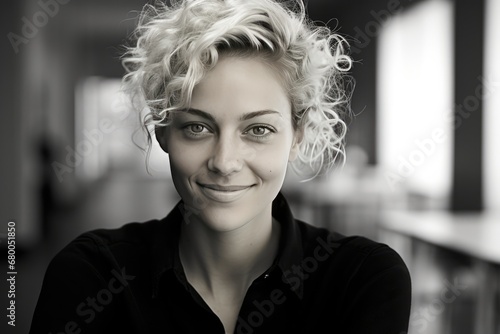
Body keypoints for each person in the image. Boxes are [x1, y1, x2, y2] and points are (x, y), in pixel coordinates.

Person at [30, 0, 411, 333]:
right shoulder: (91, 276)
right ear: (163, 132)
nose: (224, 162)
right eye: (197, 127)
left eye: (258, 129)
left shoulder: (362, 279)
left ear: (298, 135)